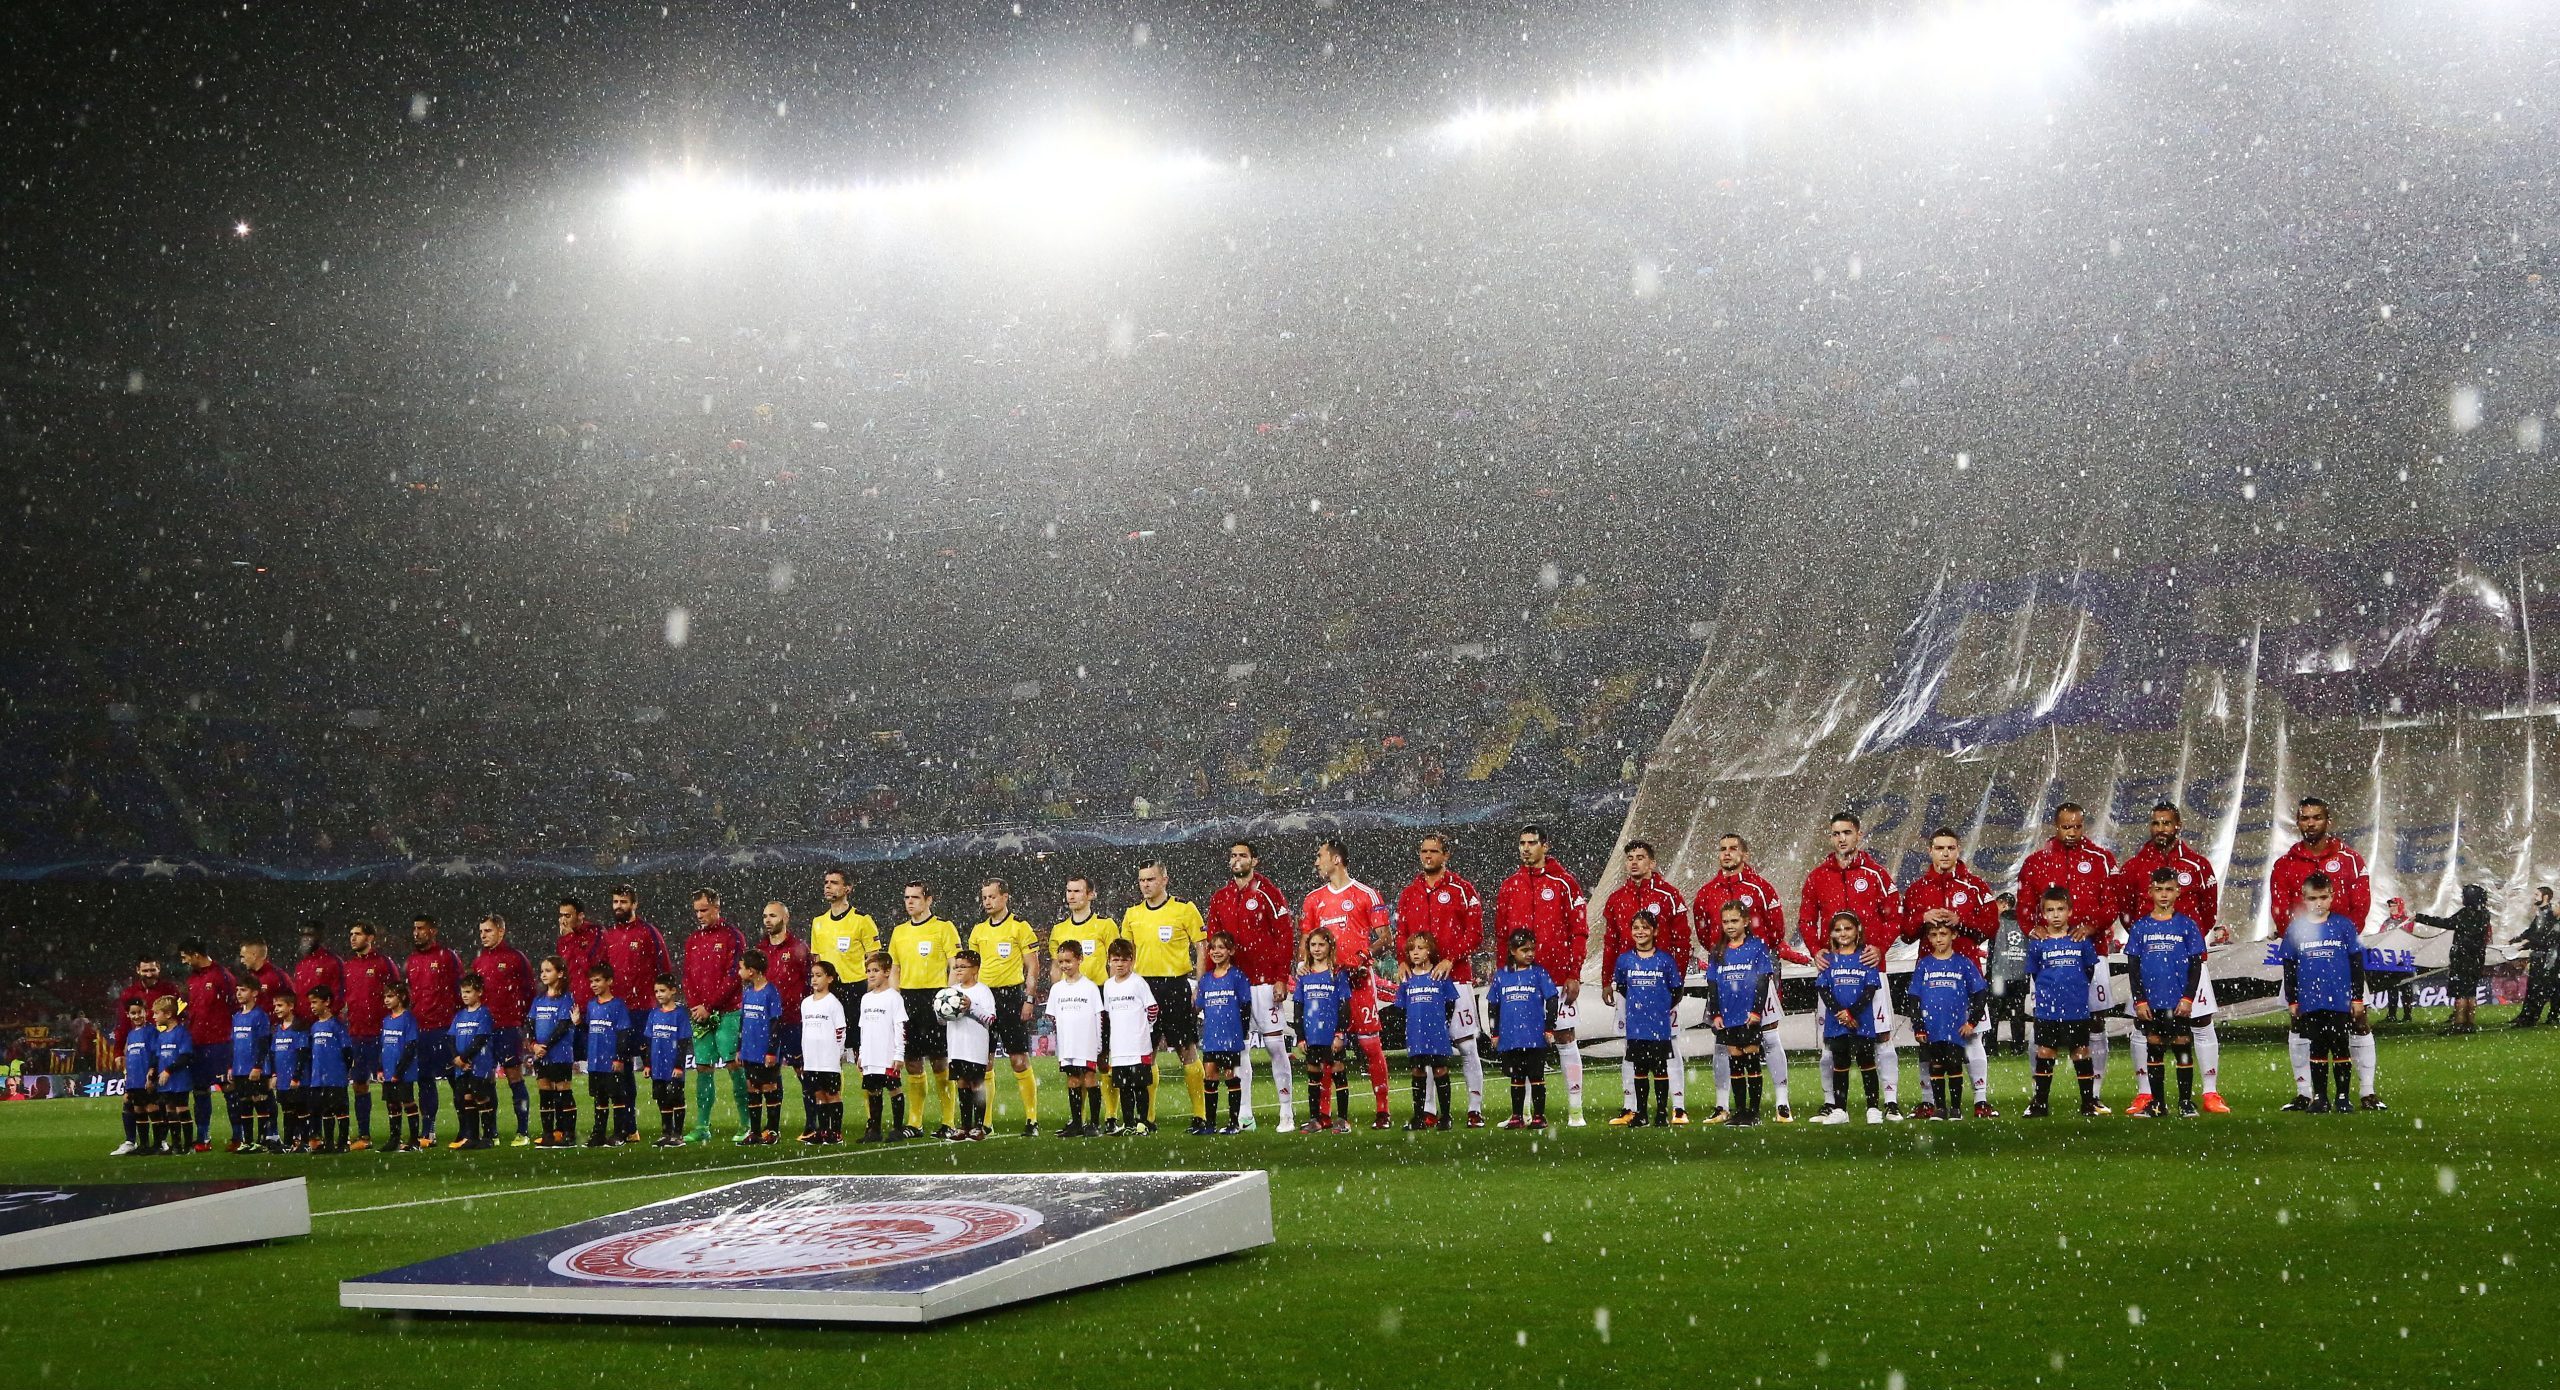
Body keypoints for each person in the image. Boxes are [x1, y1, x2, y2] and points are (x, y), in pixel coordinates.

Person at [2117, 803, 2231, 1114]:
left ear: (2178, 825)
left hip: (2187, 960)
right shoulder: (2134, 867)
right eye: (2155, 823)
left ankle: (2209, 1092)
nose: (2161, 829)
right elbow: (2126, 911)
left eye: (2166, 823)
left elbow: (2208, 911)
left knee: (2200, 1021)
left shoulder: (2197, 865)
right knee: (2144, 1025)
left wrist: (2184, 944)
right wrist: (2148, 941)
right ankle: (2146, 1094)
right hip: (2151, 963)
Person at [2269, 797, 2376, 1101]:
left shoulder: (2350, 859)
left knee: (2359, 1020)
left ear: (2329, 821)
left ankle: (2367, 1092)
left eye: (2316, 817)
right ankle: (2305, 1094)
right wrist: (2302, 940)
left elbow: (2361, 906)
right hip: (2305, 958)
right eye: (2305, 818)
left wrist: (2338, 937)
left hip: (2340, 956)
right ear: (2298, 822)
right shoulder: (2285, 864)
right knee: (2298, 1022)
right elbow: (2280, 910)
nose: (2311, 823)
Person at [2015, 804, 2126, 1095]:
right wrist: (2032, 928)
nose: (2072, 832)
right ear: (2056, 826)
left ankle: (2095, 1094)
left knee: (2095, 1021)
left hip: (2092, 951)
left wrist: (2091, 926)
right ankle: (2038, 1095)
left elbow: (2112, 904)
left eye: (2077, 826)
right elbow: (2024, 905)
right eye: (2066, 827)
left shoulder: (2101, 858)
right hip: (2049, 957)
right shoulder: (2036, 861)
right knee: (2042, 1022)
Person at [1798, 814, 1902, 1119]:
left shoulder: (1877, 874)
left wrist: (1880, 946)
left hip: (1870, 969)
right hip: (1833, 973)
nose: (1841, 838)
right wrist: (1815, 949)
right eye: (1836, 833)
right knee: (1831, 1043)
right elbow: (1806, 920)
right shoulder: (1817, 876)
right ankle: (1832, 1103)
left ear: (1859, 835)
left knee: (1882, 1038)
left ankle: (1889, 1102)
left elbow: (1894, 915)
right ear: (1830, 837)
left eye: (1847, 832)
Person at [1897, 827, 1999, 1117]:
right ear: (1930, 851)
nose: (1945, 853)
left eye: (1950, 848)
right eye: (1939, 848)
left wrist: (1960, 921)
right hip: (1930, 977)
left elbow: (1990, 927)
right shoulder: (1917, 889)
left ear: (1958, 850)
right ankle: (1929, 1102)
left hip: (1966, 975)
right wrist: (1922, 918)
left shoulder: (1975, 886)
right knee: (1928, 1040)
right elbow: (1905, 933)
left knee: (1973, 1036)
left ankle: (1980, 1101)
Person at [1495, 825, 1590, 1125]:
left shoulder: (1565, 883)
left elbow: (1579, 931)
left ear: (1545, 846)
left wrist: (1574, 973)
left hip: (1557, 977)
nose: (1526, 848)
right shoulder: (1510, 886)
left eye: (1532, 843)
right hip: (1519, 979)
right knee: (1521, 1042)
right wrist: (1502, 974)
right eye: (1522, 843)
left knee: (1564, 1036)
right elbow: (1502, 936)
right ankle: (1522, 1113)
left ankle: (1575, 1110)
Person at [1395, 833, 1485, 1127]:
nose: (1427, 856)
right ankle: (1429, 1112)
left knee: (1467, 1045)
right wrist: (1402, 960)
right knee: (1427, 1049)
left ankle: (1474, 1109)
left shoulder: (1463, 889)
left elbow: (1475, 933)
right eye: (1424, 851)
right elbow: (1402, 934)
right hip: (1422, 981)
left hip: (1455, 978)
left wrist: (1451, 959)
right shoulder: (1409, 893)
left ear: (1446, 855)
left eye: (1434, 851)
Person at [1300, 841, 1390, 1128]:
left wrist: (1364, 956)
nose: (1316, 862)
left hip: (1359, 982)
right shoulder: (1313, 899)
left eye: (1320, 856)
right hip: (1328, 986)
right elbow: (1306, 939)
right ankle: (1325, 1116)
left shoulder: (1365, 894)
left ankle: (1383, 1111)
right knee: (1328, 1048)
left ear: (1336, 859)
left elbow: (1385, 938)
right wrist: (1303, 964)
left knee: (1370, 1045)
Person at [1210, 840, 1298, 1132]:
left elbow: (1284, 936)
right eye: (1233, 855)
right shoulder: (1220, 898)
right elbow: (1214, 942)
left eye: (1242, 855)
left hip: (1264, 982)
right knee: (1240, 1050)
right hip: (1235, 984)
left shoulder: (1268, 893)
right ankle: (1245, 1114)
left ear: (1254, 861)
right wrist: (1214, 981)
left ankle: (1286, 1111)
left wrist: (1281, 976)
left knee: (1275, 1045)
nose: (1236, 860)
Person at [1603, 841, 1693, 1125]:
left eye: (1640, 858)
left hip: (1662, 987)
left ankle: (1678, 1107)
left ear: (1652, 863)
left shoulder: (1669, 895)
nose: (1634, 862)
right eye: (1630, 858)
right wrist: (1607, 980)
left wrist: (1675, 982)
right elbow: (1610, 943)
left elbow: (1682, 941)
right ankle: (1631, 1107)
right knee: (1630, 1046)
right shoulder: (1616, 898)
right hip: (1631, 985)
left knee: (1670, 1044)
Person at [1124, 859, 1208, 1127]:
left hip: (1175, 987)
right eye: (1142, 880)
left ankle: (1200, 1115)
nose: (1145, 885)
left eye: (1150, 879)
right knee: (1146, 1052)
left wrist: (1200, 985)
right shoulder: (1132, 914)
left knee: (1187, 1050)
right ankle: (1147, 1118)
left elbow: (1202, 948)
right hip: (1143, 988)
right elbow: (1127, 955)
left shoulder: (1184, 909)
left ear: (1164, 880)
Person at [2280, 874, 2367, 1113]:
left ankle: (2342, 1098)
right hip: (2311, 1000)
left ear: (2332, 897)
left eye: (2323, 897)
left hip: (2339, 999)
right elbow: (2289, 966)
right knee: (2316, 1047)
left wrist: (2357, 997)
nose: (2318, 903)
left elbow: (2356, 963)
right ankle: (2320, 1098)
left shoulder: (2343, 925)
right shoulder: (2297, 928)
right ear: (2304, 899)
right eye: (2312, 898)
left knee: (2340, 1046)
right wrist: (2293, 999)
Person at [2126, 869, 2208, 1118]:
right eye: (2159, 889)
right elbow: (2133, 968)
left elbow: (2196, 965)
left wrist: (2188, 998)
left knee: (2182, 1044)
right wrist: (2140, 1000)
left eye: (2169, 889)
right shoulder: (2141, 927)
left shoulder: (2186, 925)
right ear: (2150, 892)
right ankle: (2158, 1104)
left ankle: (2185, 1102)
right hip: (2151, 1000)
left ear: (2178, 892)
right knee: (2154, 1044)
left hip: (2178, 999)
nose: (2164, 894)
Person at [888, 881, 965, 1136]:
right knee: (912, 1062)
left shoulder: (944, 927)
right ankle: (915, 1123)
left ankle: (948, 1122)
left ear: (928, 900)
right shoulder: (899, 932)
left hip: (935, 998)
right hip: (908, 999)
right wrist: (895, 999)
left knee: (940, 1061)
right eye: (906, 897)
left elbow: (954, 965)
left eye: (915, 897)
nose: (909, 902)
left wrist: (947, 997)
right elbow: (895, 968)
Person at [967, 880, 1042, 1137]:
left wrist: (1029, 999)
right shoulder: (978, 931)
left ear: (1005, 897)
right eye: (984, 897)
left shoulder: (1020, 927)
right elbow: (972, 970)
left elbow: (1033, 966)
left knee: (1018, 1060)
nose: (987, 901)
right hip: (984, 999)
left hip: (1011, 998)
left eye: (992, 896)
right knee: (985, 1062)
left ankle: (1032, 1119)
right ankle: (986, 1123)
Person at [681, 889, 751, 1145]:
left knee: (734, 1064)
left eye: (704, 910)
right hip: (700, 1014)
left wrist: (709, 1006)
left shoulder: (733, 936)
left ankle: (746, 1123)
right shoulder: (693, 939)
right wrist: (695, 1006)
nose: (699, 915)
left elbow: (734, 976)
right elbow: (687, 976)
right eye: (697, 911)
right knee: (702, 1067)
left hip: (727, 1012)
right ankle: (702, 1126)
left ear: (716, 908)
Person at [2024, 888, 2103, 1118]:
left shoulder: (2080, 940)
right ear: (2043, 914)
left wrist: (2075, 989)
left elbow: (2089, 970)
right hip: (2048, 1009)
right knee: (2046, 1052)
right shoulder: (2038, 942)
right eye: (2050, 910)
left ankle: (2088, 1102)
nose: (2056, 914)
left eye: (2060, 909)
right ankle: (2040, 1103)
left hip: (2076, 1007)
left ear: (2070, 911)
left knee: (2080, 1051)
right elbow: (2035, 974)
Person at [601, 887, 672, 1140]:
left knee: (658, 1070)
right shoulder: (608, 936)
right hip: (619, 1013)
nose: (618, 906)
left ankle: (670, 1129)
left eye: (623, 901)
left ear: (634, 904)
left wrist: (662, 1006)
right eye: (615, 901)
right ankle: (629, 1128)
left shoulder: (648, 933)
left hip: (645, 1011)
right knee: (621, 1070)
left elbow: (664, 970)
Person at [1707, 901, 1780, 1128]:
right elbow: (1713, 984)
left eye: (1734, 920)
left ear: (1746, 921)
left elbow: (1762, 981)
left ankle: (1753, 1112)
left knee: (1751, 1060)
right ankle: (1739, 1112)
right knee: (1735, 1062)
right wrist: (1716, 1014)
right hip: (1728, 1015)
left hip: (1748, 1015)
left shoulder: (1757, 947)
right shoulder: (1718, 951)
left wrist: (1756, 1011)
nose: (1730, 926)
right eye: (1725, 921)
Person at [1908, 920, 1987, 1122]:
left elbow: (1980, 992)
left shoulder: (1963, 963)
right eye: (1934, 935)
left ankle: (1956, 1109)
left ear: (1953, 935)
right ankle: (1940, 1108)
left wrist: (1971, 1022)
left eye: (1943, 934)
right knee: (1935, 1066)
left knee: (1954, 1065)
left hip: (1955, 1027)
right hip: (1931, 1027)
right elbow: (1914, 997)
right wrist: (1918, 1025)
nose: (1938, 939)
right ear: (1928, 938)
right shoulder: (1924, 964)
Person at [1611, 910, 1684, 1128]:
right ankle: (1641, 1113)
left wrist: (1660, 1007)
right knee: (1639, 1070)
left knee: (1660, 1069)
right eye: (1636, 927)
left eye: (1645, 927)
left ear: (1655, 931)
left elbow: (1676, 990)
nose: (1640, 931)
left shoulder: (1665, 960)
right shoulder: (1624, 960)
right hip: (1636, 1025)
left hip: (1659, 1026)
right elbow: (1622, 987)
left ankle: (1661, 1113)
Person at [1813, 913, 1887, 1125]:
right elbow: (1824, 990)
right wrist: (1841, 1013)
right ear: (1831, 934)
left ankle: (1873, 1108)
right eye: (1837, 930)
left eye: (1847, 928)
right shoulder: (1828, 960)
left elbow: (1870, 989)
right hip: (1837, 1023)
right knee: (1840, 1063)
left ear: (1857, 930)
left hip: (1861, 1021)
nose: (1843, 933)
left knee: (1867, 1062)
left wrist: (1852, 1012)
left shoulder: (1866, 957)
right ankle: (1840, 1109)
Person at [471, 914, 537, 1146]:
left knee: (514, 1076)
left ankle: (523, 1132)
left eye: (488, 930)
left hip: (508, 1028)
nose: (483, 935)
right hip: (484, 1031)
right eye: (481, 931)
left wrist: (525, 1025)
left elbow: (529, 992)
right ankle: (491, 1134)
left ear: (501, 931)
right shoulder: (478, 962)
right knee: (486, 1080)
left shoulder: (516, 958)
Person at [1488, 928, 1560, 1130]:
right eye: (1524, 950)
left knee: (1537, 1077)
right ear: (1512, 951)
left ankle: (1539, 1116)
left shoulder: (1539, 973)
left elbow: (1552, 999)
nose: (1530, 954)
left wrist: (1549, 1028)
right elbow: (1493, 1005)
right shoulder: (1502, 976)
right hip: (1511, 1037)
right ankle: (1517, 1116)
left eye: (1532, 949)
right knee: (1516, 1078)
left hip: (1534, 1037)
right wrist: (1495, 1033)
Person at [403, 916, 465, 1148]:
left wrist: (456, 1024)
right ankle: (428, 1131)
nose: (416, 932)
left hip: (444, 1029)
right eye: (414, 928)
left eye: (421, 928)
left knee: (455, 1081)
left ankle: (465, 1129)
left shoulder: (447, 957)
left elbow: (461, 991)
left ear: (433, 931)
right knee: (424, 1081)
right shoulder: (412, 960)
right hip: (421, 1030)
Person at [341, 921, 399, 1149]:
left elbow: (398, 994)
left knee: (390, 1084)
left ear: (370, 937)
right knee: (359, 1084)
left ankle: (395, 1135)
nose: (353, 938)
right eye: (351, 934)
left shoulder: (384, 964)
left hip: (381, 1034)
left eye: (358, 934)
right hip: (356, 1035)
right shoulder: (348, 966)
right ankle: (364, 1136)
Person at [1396, 932, 1460, 1132]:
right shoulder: (1407, 979)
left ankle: (1445, 1116)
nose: (1415, 952)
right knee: (1418, 1071)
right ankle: (1418, 1117)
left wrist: (1441, 1023)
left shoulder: (1440, 976)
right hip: (1416, 1034)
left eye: (1420, 948)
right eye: (1411, 949)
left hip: (1436, 1034)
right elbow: (1401, 1008)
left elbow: (1450, 1003)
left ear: (1430, 951)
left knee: (1440, 1069)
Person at [176, 940, 235, 1151]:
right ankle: (203, 1138)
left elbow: (234, 1006)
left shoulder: (222, 976)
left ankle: (238, 1136)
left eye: (185, 957)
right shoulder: (192, 979)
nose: (184, 961)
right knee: (200, 1091)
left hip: (220, 1043)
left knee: (229, 1088)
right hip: (197, 1043)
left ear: (195, 954)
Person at [1193, 932, 1254, 1134]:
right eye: (1213, 948)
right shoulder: (1206, 980)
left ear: (1231, 951)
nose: (1216, 951)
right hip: (1212, 1036)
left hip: (1230, 1036)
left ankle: (1233, 1123)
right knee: (1210, 1075)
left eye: (1221, 947)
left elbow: (1245, 1006)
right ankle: (1210, 1124)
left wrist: (1242, 1033)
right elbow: (1199, 1006)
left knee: (1230, 1075)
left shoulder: (1237, 976)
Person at [2415, 884, 2494, 1037]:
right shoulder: (2484, 914)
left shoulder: (2466, 914)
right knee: (2470, 992)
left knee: (2460, 993)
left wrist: (2420, 918)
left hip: (2462, 958)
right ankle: (2469, 1024)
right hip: (2477, 958)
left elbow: (2445, 923)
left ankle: (2458, 1024)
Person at [1043, 940, 1104, 1137]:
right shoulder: (1057, 989)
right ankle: (1077, 1123)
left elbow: (1098, 1016)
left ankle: (1094, 1123)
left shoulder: (1090, 987)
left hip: (1086, 1042)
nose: (1064, 965)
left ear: (1080, 959)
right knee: (1072, 1080)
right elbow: (1053, 1018)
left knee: (1089, 1078)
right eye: (1061, 962)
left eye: (1068, 961)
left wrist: (1098, 1044)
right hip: (1067, 1044)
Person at [1100, 937, 1160, 1135]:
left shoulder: (1138, 983)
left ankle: (1142, 1122)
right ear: (1109, 961)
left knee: (1140, 1086)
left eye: (1124, 960)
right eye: (1115, 960)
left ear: (1132, 961)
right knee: (1124, 1088)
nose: (1120, 964)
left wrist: (1145, 1027)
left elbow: (1152, 1008)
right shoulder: (1108, 986)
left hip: (1138, 1045)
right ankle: (1128, 1124)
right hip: (1119, 1048)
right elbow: (1107, 1014)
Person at [1294, 928, 1352, 1134]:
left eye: (1321, 944)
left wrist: (1340, 1033)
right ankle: (1315, 1120)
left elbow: (1344, 1006)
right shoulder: (1304, 976)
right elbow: (1299, 1007)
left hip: (1331, 1034)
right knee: (1313, 1074)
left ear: (1330, 947)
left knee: (1337, 1071)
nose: (1317, 949)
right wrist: (1300, 1037)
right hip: (1312, 1035)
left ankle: (1342, 1120)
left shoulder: (1337, 974)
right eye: (1313, 945)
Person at [942, 949, 997, 1143]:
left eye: (963, 967)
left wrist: (971, 1007)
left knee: (976, 1084)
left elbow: (990, 1019)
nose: (958, 970)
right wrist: (941, 1013)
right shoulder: (951, 992)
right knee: (962, 1083)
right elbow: (942, 1021)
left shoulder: (983, 991)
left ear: (975, 969)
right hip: (957, 1046)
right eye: (956, 967)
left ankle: (979, 1126)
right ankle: (964, 1126)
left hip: (975, 1046)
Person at [854, 952, 910, 1142]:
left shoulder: (894, 998)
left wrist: (899, 1054)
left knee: (894, 1088)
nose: (871, 974)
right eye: (868, 971)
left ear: (886, 972)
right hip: (871, 1055)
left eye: (875, 970)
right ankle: (874, 1130)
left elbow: (900, 1027)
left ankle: (897, 1129)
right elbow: (863, 1028)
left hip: (887, 1054)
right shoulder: (866, 999)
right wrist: (862, 1054)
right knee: (873, 1090)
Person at [526, 957, 580, 1146]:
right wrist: (534, 1045)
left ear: (560, 973)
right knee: (545, 1093)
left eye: (548, 970)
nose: (543, 974)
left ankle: (568, 1134)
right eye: (542, 971)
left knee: (563, 1092)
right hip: (541, 1054)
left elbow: (563, 1026)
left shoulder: (566, 999)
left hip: (560, 1054)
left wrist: (545, 1046)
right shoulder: (539, 999)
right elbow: (530, 1023)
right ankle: (548, 1134)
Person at [737, 950, 786, 1145]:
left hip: (765, 1051)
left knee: (769, 1087)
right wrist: (739, 1048)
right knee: (752, 1088)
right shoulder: (748, 993)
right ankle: (755, 1132)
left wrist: (771, 1051)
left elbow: (776, 1023)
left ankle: (772, 1130)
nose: (739, 972)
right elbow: (743, 1021)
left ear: (751, 971)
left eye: (741, 968)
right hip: (749, 1050)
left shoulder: (770, 992)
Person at [582, 965, 634, 1147]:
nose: (593, 984)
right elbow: (590, 1030)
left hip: (611, 1061)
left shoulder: (618, 1005)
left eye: (597, 980)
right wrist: (578, 1023)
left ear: (609, 981)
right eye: (591, 981)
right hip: (595, 1061)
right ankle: (599, 1134)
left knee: (618, 1098)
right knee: (599, 1098)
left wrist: (619, 1057)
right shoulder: (591, 1005)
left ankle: (620, 1133)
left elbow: (623, 1033)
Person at [799, 960, 848, 1145]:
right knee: (818, 1094)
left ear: (829, 978)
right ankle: (823, 1130)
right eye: (812, 975)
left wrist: (837, 1053)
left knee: (832, 1094)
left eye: (819, 975)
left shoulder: (833, 1003)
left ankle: (836, 1131)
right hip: (812, 1059)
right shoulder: (806, 1003)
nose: (814, 979)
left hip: (828, 1058)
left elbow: (840, 1030)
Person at [810, 868, 882, 990]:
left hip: (856, 986)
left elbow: (874, 956)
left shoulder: (862, 920)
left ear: (847, 888)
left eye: (834, 883)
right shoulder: (818, 922)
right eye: (826, 882)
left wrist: (870, 986)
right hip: (829, 987)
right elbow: (817, 958)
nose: (828, 886)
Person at [643, 975, 694, 1147]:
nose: (659, 994)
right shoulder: (654, 1014)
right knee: (662, 1099)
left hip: (672, 1066)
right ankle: (666, 1133)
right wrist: (648, 1064)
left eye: (662, 990)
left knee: (676, 1098)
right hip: (658, 1066)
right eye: (656, 991)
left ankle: (677, 1134)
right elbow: (649, 1041)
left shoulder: (680, 1014)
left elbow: (683, 1042)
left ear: (673, 991)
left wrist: (679, 1065)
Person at [448, 974, 498, 1150]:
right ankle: (472, 1137)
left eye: (468, 992)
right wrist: (456, 1058)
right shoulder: (459, 1015)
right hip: (462, 1066)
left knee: (481, 1097)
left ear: (479, 992)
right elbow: (451, 1038)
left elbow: (481, 1039)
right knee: (467, 1097)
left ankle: (489, 1136)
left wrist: (464, 1058)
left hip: (479, 1064)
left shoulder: (483, 1013)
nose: (465, 995)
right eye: (463, 992)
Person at [225, 979, 273, 1153]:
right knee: (244, 1104)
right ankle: (247, 1141)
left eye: (243, 989)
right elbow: (233, 1044)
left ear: (254, 993)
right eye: (238, 989)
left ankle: (262, 1141)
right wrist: (231, 1066)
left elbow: (264, 1042)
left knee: (260, 1102)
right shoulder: (237, 1017)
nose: (238, 993)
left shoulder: (260, 1015)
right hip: (240, 1069)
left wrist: (258, 1066)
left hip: (255, 1069)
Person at [306, 986, 352, 1153]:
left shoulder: (337, 1025)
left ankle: (343, 1143)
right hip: (319, 1077)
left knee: (340, 1109)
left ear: (326, 1002)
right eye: (310, 1003)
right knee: (325, 1109)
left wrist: (343, 1069)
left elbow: (347, 1050)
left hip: (335, 1075)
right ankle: (329, 1143)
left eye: (315, 1002)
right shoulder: (314, 1027)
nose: (312, 1006)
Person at [378, 981, 421, 1151]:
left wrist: (399, 1071)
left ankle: (414, 1139)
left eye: (390, 996)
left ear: (402, 997)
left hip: (402, 1071)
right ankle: (394, 1139)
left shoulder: (408, 1019)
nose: (386, 1000)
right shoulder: (386, 1020)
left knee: (407, 1101)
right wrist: (380, 1068)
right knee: (392, 1103)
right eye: (385, 996)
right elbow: (383, 1046)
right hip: (389, 1070)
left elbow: (411, 1047)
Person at [147, 995, 193, 1154]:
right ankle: (176, 1145)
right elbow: (157, 1057)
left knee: (181, 1109)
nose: (154, 1017)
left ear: (168, 1014)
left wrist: (169, 1070)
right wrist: (152, 1071)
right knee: (170, 1110)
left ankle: (188, 1146)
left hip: (179, 1080)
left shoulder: (181, 1033)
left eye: (156, 1013)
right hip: (165, 1082)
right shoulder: (161, 1036)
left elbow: (185, 1056)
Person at [1986, 895, 2031, 1055]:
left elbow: (1992, 953)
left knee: (1993, 1013)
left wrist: (1989, 974)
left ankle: (1991, 1048)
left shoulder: (1995, 923)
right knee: (2017, 1013)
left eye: (1997, 904)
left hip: (1998, 975)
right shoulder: (2024, 923)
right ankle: (2018, 1047)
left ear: (2005, 905)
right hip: (2020, 974)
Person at [2511, 888, 2560, 1027]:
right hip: (2544, 957)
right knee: (2538, 987)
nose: (2534, 897)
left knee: (2541, 988)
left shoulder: (2550, 916)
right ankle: (2529, 1015)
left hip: (2549, 958)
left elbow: (2544, 938)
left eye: (2537, 894)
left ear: (2545, 896)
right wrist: (2518, 940)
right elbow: (2533, 932)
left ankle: (2532, 1017)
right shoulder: (2542, 913)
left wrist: (2525, 944)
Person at [2370, 897, 2420, 1024]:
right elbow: (2380, 936)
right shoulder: (2387, 922)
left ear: (2400, 906)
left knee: (2405, 986)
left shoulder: (2406, 920)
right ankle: (2391, 1015)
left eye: (2394, 905)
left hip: (2403, 958)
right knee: (2391, 986)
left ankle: (2407, 1015)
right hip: (2390, 959)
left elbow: (2408, 933)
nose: (2391, 908)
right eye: (2390, 906)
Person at [116, 999, 156, 1157]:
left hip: (145, 1079)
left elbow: (155, 1054)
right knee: (138, 1110)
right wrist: (128, 1080)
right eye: (133, 1013)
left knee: (152, 1108)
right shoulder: (131, 1034)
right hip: (134, 1080)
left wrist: (151, 1074)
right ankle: (144, 1145)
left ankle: (159, 1143)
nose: (137, 1016)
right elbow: (130, 1059)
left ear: (146, 1012)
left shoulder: (151, 1031)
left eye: (140, 1012)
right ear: (128, 1014)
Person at [289, 920, 343, 1028]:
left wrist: (326, 1020)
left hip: (325, 1025)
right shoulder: (301, 964)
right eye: (303, 935)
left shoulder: (332, 962)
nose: (305, 939)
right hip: (303, 1025)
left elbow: (340, 994)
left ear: (320, 937)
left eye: (310, 935)